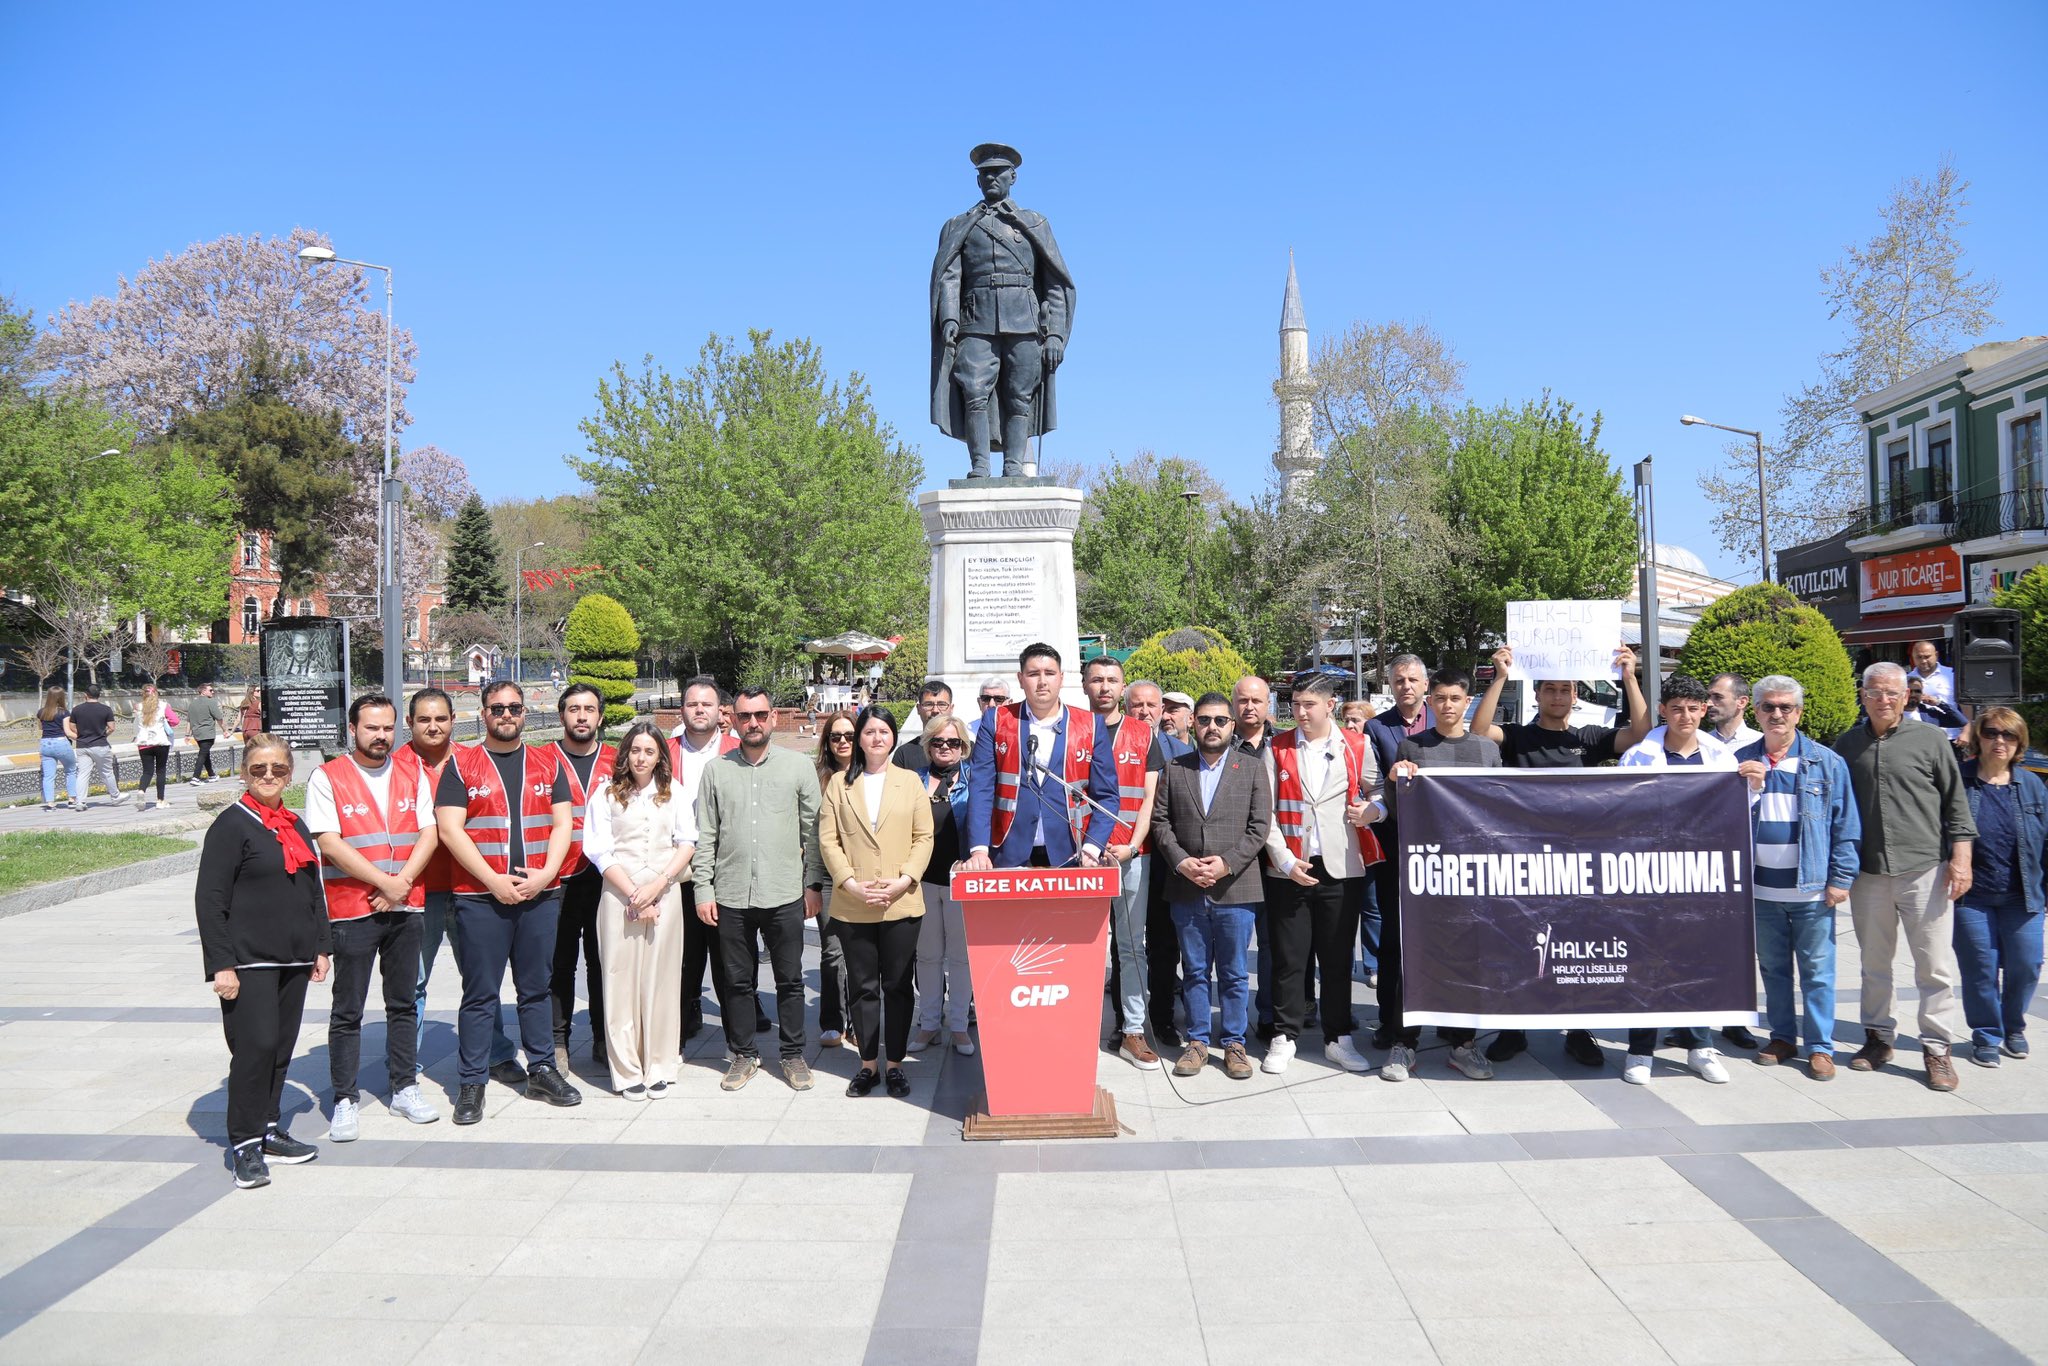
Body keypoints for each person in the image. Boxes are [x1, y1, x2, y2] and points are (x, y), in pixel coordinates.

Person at [1468, 642, 1652, 1065]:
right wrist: (1498, 677)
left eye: (1565, 689)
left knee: (1575, 948)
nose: (1556, 697)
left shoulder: (1589, 738)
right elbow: (1479, 731)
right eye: (1549, 689)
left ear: (1575, 695)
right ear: (1536, 694)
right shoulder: (1518, 736)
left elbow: (1640, 734)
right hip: (1523, 860)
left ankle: (1578, 1030)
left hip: (1575, 864)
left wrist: (1629, 677)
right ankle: (1513, 1030)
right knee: (1518, 945)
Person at [433, 679, 582, 1124]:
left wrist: (545, 876)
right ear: (483, 713)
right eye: (497, 708)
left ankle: (541, 1069)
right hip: (481, 898)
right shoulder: (462, 766)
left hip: (540, 895)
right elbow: (449, 830)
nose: (506, 715)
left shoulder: (548, 764)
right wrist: (493, 880)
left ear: (525, 712)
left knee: (536, 988)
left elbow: (563, 826)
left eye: (514, 707)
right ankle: (472, 1082)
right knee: (480, 994)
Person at [1833, 660, 1976, 1092]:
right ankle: (1878, 1038)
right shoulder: (1847, 745)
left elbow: (1956, 803)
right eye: (1875, 692)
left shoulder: (1931, 740)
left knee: (1933, 967)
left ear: (1906, 696)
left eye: (1892, 693)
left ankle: (1937, 1049)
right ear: (1863, 695)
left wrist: (1962, 859)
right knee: (1875, 965)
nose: (1883, 700)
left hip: (1925, 869)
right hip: (1869, 872)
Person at [195, 734, 330, 1189]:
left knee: (279, 1050)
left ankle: (269, 1129)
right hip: (249, 961)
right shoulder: (232, 825)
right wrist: (221, 965)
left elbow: (314, 891)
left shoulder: (295, 823)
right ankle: (245, 1145)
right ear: (244, 773)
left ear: (290, 774)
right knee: (254, 1050)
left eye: (277, 769)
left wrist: (321, 946)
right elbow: (210, 900)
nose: (269, 776)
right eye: (258, 770)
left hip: (293, 957)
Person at [307, 695, 440, 1138]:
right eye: (371, 728)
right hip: (351, 911)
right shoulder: (328, 777)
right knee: (349, 1009)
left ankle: (404, 1086)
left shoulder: (413, 771)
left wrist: (399, 883)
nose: (381, 736)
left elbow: (429, 832)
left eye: (387, 728)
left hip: (406, 905)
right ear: (352, 729)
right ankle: (344, 1097)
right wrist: (384, 884)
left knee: (403, 1002)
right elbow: (329, 841)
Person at [694, 685, 828, 1092]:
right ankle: (744, 1053)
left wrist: (813, 885)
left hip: (785, 892)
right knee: (737, 982)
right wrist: (703, 890)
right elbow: (705, 836)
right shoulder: (717, 770)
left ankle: (792, 1054)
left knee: (789, 980)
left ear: (772, 718)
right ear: (731, 720)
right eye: (744, 716)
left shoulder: (798, 767)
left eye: (760, 715)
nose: (752, 722)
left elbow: (814, 831)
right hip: (731, 893)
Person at [1614, 674, 1740, 1085]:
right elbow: (1620, 815)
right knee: (1647, 962)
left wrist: (1750, 788)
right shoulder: (1637, 757)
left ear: (1705, 710)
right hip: (1649, 877)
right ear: (1663, 711)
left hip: (1702, 877)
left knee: (1698, 961)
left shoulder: (1722, 758)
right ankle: (1640, 1049)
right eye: (1676, 708)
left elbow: (1734, 817)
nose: (1685, 716)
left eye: (1693, 708)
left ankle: (1699, 1045)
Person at [1735, 676, 1861, 1081]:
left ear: (1799, 713)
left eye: (1786, 707)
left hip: (1810, 888)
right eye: (1768, 707)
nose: (1777, 715)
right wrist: (1744, 788)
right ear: (1754, 711)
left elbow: (1846, 825)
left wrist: (1840, 878)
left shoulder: (1826, 762)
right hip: (1760, 888)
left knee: (1818, 972)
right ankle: (1783, 1036)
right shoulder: (1740, 760)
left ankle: (1821, 1047)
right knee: (1773, 968)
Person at [1261, 673, 1386, 1075]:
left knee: (1335, 959)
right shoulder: (1276, 747)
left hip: (1341, 866)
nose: (1299, 712)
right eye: (1295, 704)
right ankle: (1285, 1036)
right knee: (1289, 959)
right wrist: (1282, 860)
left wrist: (1375, 811)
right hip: (1291, 868)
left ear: (1329, 705)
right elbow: (1265, 812)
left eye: (1307, 705)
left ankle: (1338, 1037)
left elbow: (1378, 790)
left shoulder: (1356, 744)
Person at [930, 141, 1075, 478]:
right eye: (985, 174)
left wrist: (1054, 333)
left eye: (998, 172)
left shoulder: (1033, 223)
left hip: (1024, 319)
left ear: (1013, 177)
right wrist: (949, 316)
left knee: (1019, 394)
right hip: (975, 319)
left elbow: (1055, 282)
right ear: (978, 180)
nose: (991, 178)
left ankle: (1013, 466)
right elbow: (950, 275)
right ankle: (980, 466)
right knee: (974, 390)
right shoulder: (959, 225)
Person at [1385, 668, 1502, 1082]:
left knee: (1468, 961)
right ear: (1429, 703)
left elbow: (1500, 810)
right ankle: (1404, 1043)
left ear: (1466, 702)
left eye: (1455, 698)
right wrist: (1395, 781)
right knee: (1413, 958)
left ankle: (1462, 1044)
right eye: (1441, 698)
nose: (1448, 705)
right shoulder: (1411, 746)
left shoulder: (1487, 751)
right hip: (1424, 873)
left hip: (1471, 875)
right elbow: (1397, 810)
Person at [1153, 692, 1273, 1080]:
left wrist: (1226, 864)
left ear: (1232, 725)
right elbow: (1160, 823)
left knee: (1236, 972)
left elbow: (1259, 828)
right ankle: (1198, 1041)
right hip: (1186, 886)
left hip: (1235, 886)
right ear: (1193, 723)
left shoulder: (1252, 768)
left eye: (1220, 721)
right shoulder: (1175, 768)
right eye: (1204, 720)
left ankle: (1235, 1042)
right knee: (1194, 970)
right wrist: (1181, 861)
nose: (1212, 727)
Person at [820, 705, 935, 1098]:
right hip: (854, 903)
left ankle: (895, 1064)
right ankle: (868, 1064)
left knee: (899, 986)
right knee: (863, 986)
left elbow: (924, 837)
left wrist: (903, 880)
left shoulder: (910, 782)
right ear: (859, 737)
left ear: (893, 737)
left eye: (883, 731)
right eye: (869, 731)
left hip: (900, 901)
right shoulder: (839, 784)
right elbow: (828, 840)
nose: (876, 738)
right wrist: (849, 884)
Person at [408, 687, 520, 1088]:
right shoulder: (397, 766)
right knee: (413, 982)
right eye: (424, 719)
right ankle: (404, 1068)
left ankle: (497, 1054)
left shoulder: (474, 761)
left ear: (454, 720)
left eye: (441, 718)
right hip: (418, 892)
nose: (433, 726)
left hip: (469, 888)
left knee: (481, 979)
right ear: (411, 723)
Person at [584, 721, 695, 1098]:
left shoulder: (674, 793)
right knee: (620, 980)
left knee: (662, 979)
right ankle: (627, 1068)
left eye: (649, 751)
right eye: (635, 750)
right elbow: (598, 849)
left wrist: (659, 885)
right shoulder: (606, 794)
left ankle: (660, 1063)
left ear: (660, 755)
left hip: (665, 891)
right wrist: (635, 894)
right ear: (625, 753)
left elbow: (687, 842)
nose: (642, 758)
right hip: (620, 894)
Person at [963, 643, 1117, 872]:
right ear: (1021, 678)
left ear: (1061, 678)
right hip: (1007, 851)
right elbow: (981, 788)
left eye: (1050, 674)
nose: (1042, 681)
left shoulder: (1091, 725)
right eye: (1033, 674)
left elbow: (1107, 796)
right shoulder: (996, 721)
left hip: (1073, 852)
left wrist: (1092, 847)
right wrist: (978, 850)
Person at [1084, 656, 1168, 1070]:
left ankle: (1132, 1030)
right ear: (1084, 685)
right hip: (1081, 857)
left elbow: (1150, 799)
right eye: (1096, 680)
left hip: (1132, 856)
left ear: (1122, 688)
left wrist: (1132, 846)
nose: (1104, 687)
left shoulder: (1142, 733)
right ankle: (1075, 1026)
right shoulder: (1072, 728)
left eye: (1111, 680)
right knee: (1080, 945)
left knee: (1132, 947)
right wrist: (1088, 847)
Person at [1951, 707, 2043, 1068]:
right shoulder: (1959, 780)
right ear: (1979, 738)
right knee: (1980, 970)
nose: (1999, 741)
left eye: (2008, 735)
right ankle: (1987, 1034)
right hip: (1972, 897)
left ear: (2019, 741)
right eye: (1991, 733)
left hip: (2023, 895)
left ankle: (2014, 1027)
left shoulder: (2031, 784)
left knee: (2027, 965)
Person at [668, 676, 756, 1044]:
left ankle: (742, 1028)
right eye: (692, 704)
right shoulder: (663, 749)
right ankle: (685, 1015)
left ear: (720, 710)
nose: (699, 710)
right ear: (682, 709)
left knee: (731, 952)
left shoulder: (739, 749)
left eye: (706, 704)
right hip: (677, 867)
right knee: (683, 950)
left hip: (727, 865)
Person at [1365, 654, 1433, 1047]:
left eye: (1413, 679)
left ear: (1426, 685)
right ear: (1390, 685)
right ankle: (1390, 1021)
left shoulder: (1444, 723)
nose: (1406, 686)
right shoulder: (1378, 728)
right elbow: (1374, 784)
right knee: (1393, 938)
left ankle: (1444, 1013)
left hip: (1444, 848)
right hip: (1396, 845)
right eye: (1399, 680)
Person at [549, 684, 617, 1068]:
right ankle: (558, 1040)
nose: (581, 716)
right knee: (559, 963)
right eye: (573, 709)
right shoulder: (543, 760)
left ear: (600, 717)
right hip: (555, 877)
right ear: (562, 716)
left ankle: (602, 1038)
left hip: (604, 876)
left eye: (589, 709)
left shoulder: (616, 760)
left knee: (602, 960)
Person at [1129, 681, 1191, 1044]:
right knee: (1128, 943)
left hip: (1168, 860)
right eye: (1137, 705)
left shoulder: (1181, 751)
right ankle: (1129, 1022)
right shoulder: (1113, 744)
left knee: (1165, 943)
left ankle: (1164, 1018)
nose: (1146, 711)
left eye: (1153, 705)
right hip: (1128, 857)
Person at [911, 713, 975, 1055]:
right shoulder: (913, 780)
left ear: (963, 746)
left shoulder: (974, 779)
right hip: (921, 880)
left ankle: (960, 1026)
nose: (945, 748)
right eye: (938, 742)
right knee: (928, 956)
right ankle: (929, 1024)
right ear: (928, 745)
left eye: (952, 742)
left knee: (961, 958)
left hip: (960, 880)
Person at [814, 708, 860, 1049]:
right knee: (832, 952)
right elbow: (811, 835)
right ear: (827, 742)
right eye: (835, 736)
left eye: (849, 735)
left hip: (866, 876)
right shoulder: (818, 779)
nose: (843, 742)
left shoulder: (872, 774)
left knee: (860, 953)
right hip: (830, 878)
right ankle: (832, 1021)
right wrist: (811, 883)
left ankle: (860, 1021)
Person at [70, 684, 118, 807]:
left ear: (85, 695)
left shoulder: (77, 709)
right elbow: (112, 728)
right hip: (100, 745)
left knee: (82, 774)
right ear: (99, 695)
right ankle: (115, 796)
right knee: (106, 772)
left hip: (82, 745)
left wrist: (83, 734)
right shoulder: (106, 709)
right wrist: (102, 735)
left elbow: (72, 727)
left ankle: (80, 801)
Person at [35, 687, 81, 812]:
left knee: (48, 776)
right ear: (61, 697)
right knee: (70, 771)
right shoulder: (64, 713)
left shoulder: (41, 712)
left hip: (45, 744)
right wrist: (81, 738)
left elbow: (41, 728)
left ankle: (50, 804)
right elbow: (68, 732)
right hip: (61, 743)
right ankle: (72, 800)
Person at [893, 679, 954, 774]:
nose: (935, 710)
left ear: (951, 709)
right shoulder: (904, 754)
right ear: (918, 709)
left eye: (942, 704)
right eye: (928, 704)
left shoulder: (966, 750)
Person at [133, 682, 176, 809]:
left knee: (147, 771)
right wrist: (166, 723)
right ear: (156, 693)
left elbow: (136, 724)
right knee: (161, 771)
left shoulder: (138, 707)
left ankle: (141, 791)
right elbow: (175, 720)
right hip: (160, 742)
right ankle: (160, 800)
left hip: (143, 743)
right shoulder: (163, 706)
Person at [1706, 673, 1764, 754]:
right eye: (1708, 697)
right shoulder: (1701, 743)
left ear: (1742, 702)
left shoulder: (1761, 743)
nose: (1709, 703)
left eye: (1718, 697)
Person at [1905, 675, 1969, 743]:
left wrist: (1939, 703)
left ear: (1922, 693)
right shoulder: (1894, 713)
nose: (1913, 695)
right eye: (1910, 691)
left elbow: (1961, 721)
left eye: (1917, 691)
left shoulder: (1930, 715)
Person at [186, 682, 225, 784]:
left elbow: (189, 721)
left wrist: (187, 734)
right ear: (203, 691)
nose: (213, 692)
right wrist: (225, 730)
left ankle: (211, 775)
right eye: (210, 690)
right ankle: (195, 777)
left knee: (205, 753)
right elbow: (219, 718)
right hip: (208, 733)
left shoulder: (192, 704)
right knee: (202, 754)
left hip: (197, 734)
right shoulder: (210, 702)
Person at [1909, 639, 1963, 714]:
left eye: (1927, 657)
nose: (1923, 661)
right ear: (1913, 657)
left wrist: (1967, 724)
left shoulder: (1952, 674)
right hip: (1919, 724)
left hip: (1949, 725)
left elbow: (1965, 704)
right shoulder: (1906, 680)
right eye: (1919, 657)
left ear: (1936, 655)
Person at [966, 675, 1009, 739]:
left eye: (999, 699)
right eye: (986, 698)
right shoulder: (967, 732)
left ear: (1010, 703)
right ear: (979, 703)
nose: (991, 704)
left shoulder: (1019, 730)